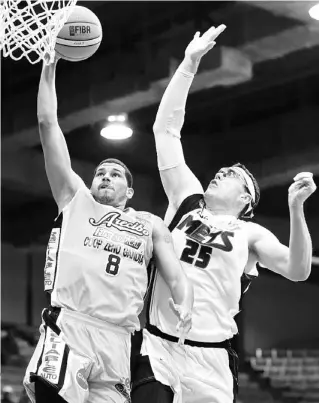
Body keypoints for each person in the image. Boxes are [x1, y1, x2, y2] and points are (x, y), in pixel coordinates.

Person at [131, 24, 317, 403]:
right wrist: (188, 64)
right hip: (158, 346)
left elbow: (299, 271)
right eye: (222, 170)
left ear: (247, 201)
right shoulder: (187, 200)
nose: (222, 173)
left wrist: (296, 210)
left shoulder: (251, 234)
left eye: (234, 175)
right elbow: (165, 132)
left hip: (212, 356)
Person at [23, 56, 193, 403]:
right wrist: (49, 68)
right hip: (69, 326)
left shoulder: (150, 224)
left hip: (119, 338)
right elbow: (47, 123)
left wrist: (185, 304)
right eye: (101, 172)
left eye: (115, 174)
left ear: (129, 192)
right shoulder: (75, 199)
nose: (105, 177)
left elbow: (176, 277)